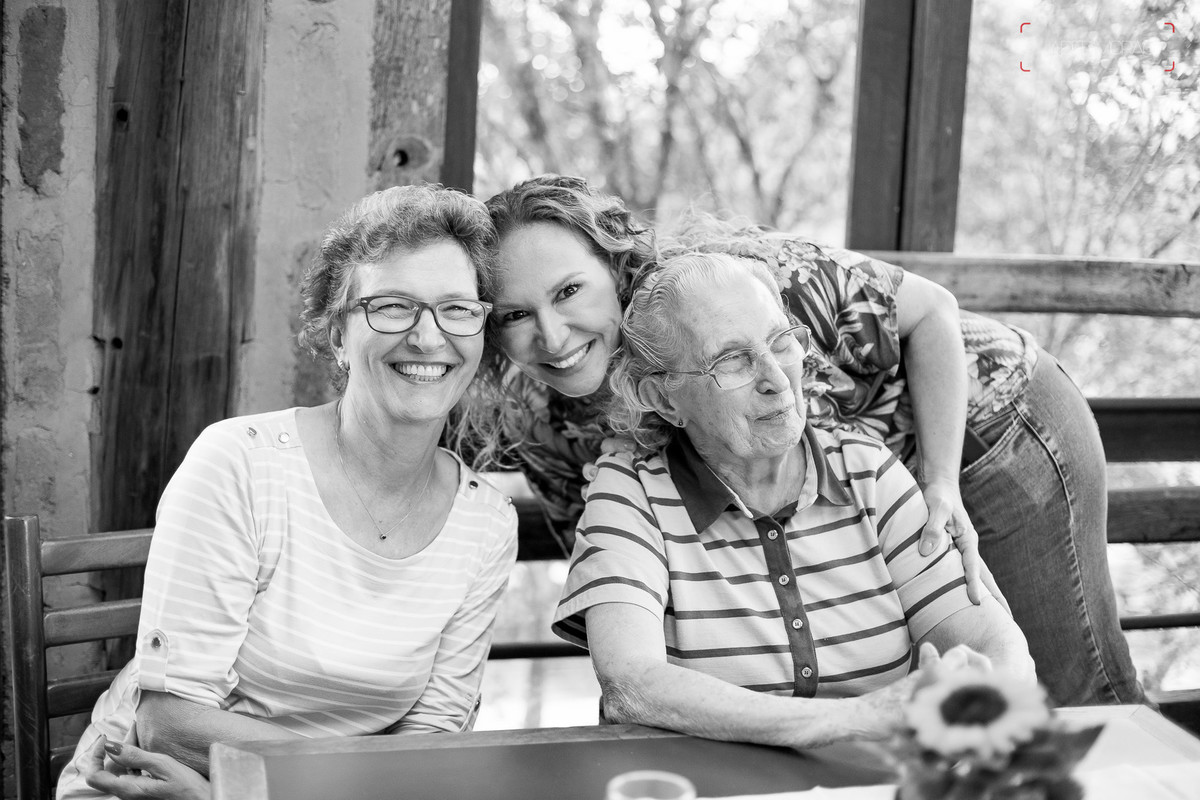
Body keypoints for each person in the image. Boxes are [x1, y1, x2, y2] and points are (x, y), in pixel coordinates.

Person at [479, 173, 1143, 707]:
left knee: (1066, 683)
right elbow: (616, 579)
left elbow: (931, 313)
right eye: (514, 314)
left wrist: (941, 481)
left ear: (614, 259)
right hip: (874, 479)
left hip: (992, 421)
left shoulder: (745, 285)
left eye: (569, 291)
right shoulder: (541, 418)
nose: (553, 335)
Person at [58, 184, 519, 800]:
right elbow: (170, 724)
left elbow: (433, 738)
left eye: (457, 309)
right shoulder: (240, 464)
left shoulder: (487, 522)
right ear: (337, 335)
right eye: (392, 306)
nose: (429, 338)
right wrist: (353, 779)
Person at [550, 252, 1035, 746]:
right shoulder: (631, 492)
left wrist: (985, 703)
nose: (777, 379)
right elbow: (632, 684)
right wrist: (853, 718)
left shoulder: (867, 471)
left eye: (781, 342)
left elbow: (991, 640)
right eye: (732, 360)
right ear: (664, 399)